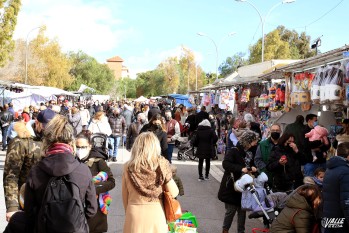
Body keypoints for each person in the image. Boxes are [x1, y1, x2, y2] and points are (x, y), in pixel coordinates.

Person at [24, 115, 98, 232]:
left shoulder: (36, 170)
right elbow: (92, 209)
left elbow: (28, 211)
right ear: (70, 141)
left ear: (47, 140)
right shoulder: (83, 170)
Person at [121, 132, 179, 233]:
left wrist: (129, 213)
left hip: (134, 214)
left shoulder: (128, 167)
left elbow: (125, 197)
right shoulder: (162, 165)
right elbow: (174, 192)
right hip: (157, 214)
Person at [218, 131, 258, 233]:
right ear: (248, 141)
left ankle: (241, 231)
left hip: (245, 186)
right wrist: (241, 169)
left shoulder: (251, 151)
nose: (255, 143)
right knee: (230, 211)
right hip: (232, 185)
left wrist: (253, 169)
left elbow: (251, 165)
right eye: (254, 141)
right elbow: (226, 164)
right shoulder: (234, 151)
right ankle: (225, 230)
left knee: (242, 211)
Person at [76, 132, 115, 233]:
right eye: (77, 147)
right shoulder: (72, 160)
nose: (80, 150)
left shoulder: (98, 161)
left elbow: (111, 182)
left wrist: (93, 188)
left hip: (95, 210)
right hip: (76, 209)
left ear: (89, 146)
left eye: (83, 147)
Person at [322, 142, 349, 233]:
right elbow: (346, 200)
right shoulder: (345, 171)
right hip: (341, 218)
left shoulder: (330, 169)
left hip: (329, 216)